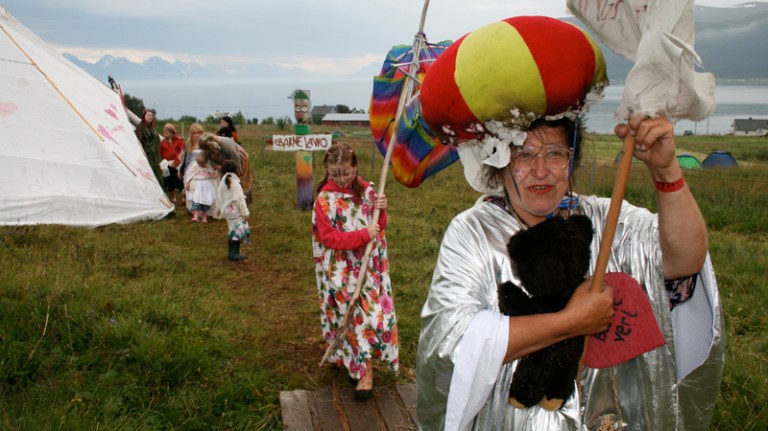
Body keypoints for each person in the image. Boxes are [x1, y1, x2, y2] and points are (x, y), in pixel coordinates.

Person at [414, 16, 724, 431]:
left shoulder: (604, 218)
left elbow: (683, 261)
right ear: (499, 161)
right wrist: (570, 323)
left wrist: (667, 171)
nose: (541, 171)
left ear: (572, 158)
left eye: (555, 154)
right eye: (524, 155)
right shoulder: (472, 232)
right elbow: (449, 345)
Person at [311, 143, 399, 401]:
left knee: (370, 315)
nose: (340, 179)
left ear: (355, 167)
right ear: (326, 170)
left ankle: (363, 366)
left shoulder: (370, 191)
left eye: (346, 173)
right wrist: (363, 235)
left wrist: (381, 208)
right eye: (334, 173)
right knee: (347, 316)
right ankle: (356, 364)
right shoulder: (324, 200)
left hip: (370, 267)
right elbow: (329, 238)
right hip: (342, 270)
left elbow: (379, 226)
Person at [198, 132, 252, 202]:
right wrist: (217, 166)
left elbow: (235, 159)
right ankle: (229, 200)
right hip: (223, 165)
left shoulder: (226, 144)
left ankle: (242, 201)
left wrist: (235, 174)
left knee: (240, 182)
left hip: (237, 163)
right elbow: (210, 158)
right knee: (225, 182)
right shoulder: (208, 149)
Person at [216, 159, 250, 261]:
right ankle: (234, 253)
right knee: (238, 230)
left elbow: (219, 196)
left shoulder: (223, 182)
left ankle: (233, 251)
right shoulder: (235, 183)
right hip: (235, 211)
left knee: (232, 229)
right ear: (235, 170)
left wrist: (219, 209)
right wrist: (245, 212)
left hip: (227, 211)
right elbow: (239, 199)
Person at [184, 151, 218, 223]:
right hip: (197, 185)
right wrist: (188, 182)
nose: (200, 165)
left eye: (202, 163)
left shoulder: (208, 167)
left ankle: (204, 215)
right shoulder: (195, 167)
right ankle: (195, 215)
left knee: (205, 201)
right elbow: (190, 175)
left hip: (206, 186)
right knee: (196, 199)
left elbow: (212, 174)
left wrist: (215, 174)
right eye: (199, 163)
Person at [181, 123, 206, 209]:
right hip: (191, 169)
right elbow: (185, 159)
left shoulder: (206, 144)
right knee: (192, 188)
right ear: (191, 135)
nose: (197, 135)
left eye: (199, 133)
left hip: (203, 168)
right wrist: (182, 171)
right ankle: (193, 208)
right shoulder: (188, 144)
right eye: (195, 133)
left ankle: (204, 207)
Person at [135, 108, 163, 184]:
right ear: (144, 116)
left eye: (151, 115)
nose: (150, 117)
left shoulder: (152, 128)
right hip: (147, 154)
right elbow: (138, 141)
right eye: (148, 115)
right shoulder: (141, 127)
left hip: (155, 155)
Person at [160, 123, 185, 204]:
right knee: (170, 180)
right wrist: (165, 162)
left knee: (180, 179)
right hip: (168, 163)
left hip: (177, 162)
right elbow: (162, 152)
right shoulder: (163, 142)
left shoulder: (179, 141)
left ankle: (183, 197)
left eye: (168, 132)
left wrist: (176, 162)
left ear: (172, 132)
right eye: (165, 132)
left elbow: (180, 153)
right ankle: (173, 196)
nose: (166, 134)